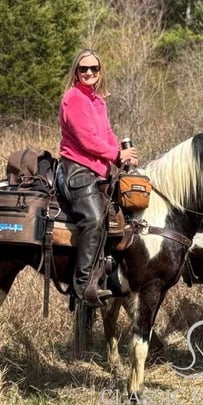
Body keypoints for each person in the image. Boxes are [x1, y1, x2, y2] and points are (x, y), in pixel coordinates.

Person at [58, 49, 138, 307]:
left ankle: (111, 272)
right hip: (77, 169)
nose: (89, 72)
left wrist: (122, 158)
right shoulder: (73, 99)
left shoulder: (98, 100)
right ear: (76, 72)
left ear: (100, 71)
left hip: (101, 170)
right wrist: (116, 154)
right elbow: (87, 140)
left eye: (94, 68)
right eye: (84, 69)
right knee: (93, 219)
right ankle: (82, 284)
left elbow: (107, 133)